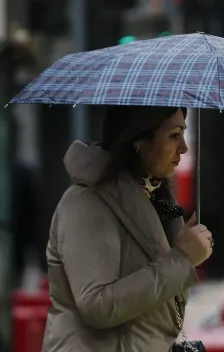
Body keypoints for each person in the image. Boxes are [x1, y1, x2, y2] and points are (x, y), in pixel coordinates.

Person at [42, 106, 213, 352]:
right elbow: (98, 305)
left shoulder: (156, 200)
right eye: (174, 135)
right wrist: (182, 258)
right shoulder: (86, 204)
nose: (184, 148)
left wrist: (189, 251)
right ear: (138, 141)